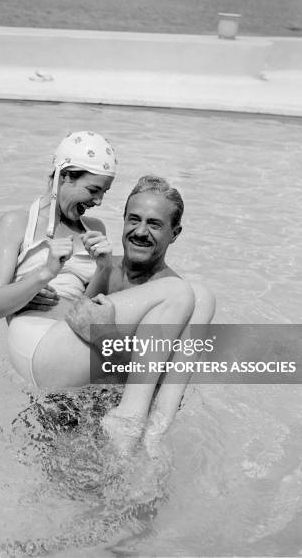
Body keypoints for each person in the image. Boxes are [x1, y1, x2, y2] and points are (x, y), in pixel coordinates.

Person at [0, 132, 202, 454]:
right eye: (93, 190)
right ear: (65, 176)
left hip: (68, 339)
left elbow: (86, 306)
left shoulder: (94, 229)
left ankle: (156, 428)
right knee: (178, 292)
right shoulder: (17, 223)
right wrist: (44, 273)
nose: (98, 202)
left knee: (201, 297)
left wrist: (101, 269)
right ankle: (133, 419)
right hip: (37, 345)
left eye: (104, 193)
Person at [64, 175, 216, 454]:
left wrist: (106, 337)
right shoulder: (100, 268)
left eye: (154, 224)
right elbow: (68, 326)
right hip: (65, 407)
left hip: (119, 432)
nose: (140, 231)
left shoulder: (177, 302)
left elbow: (162, 392)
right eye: (134, 219)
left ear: (175, 233)